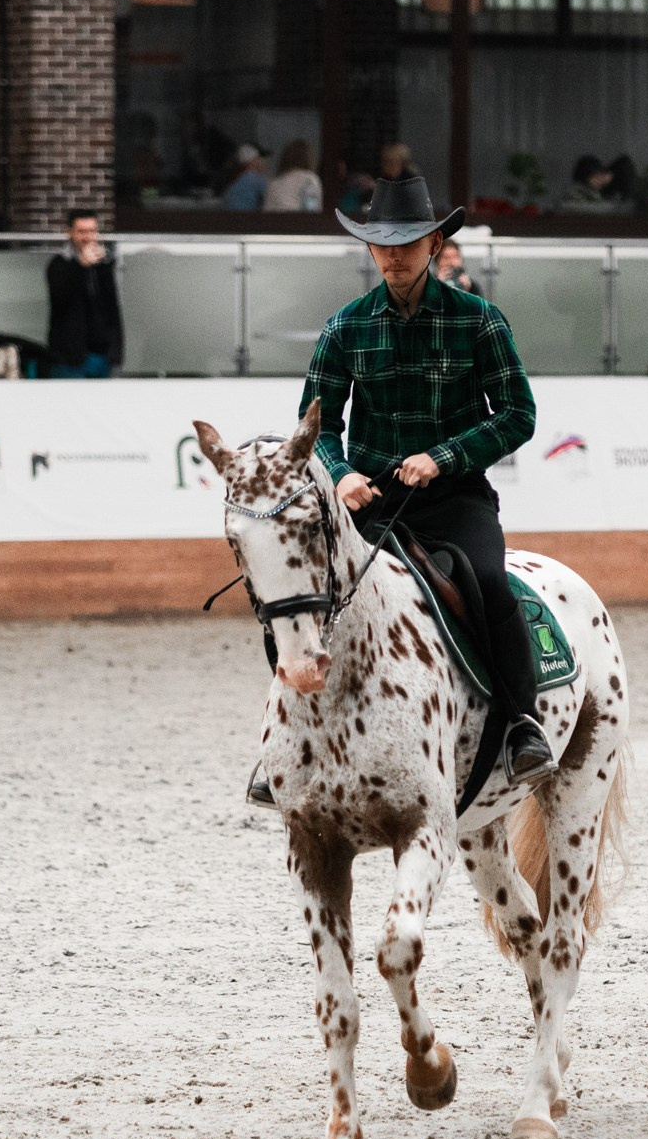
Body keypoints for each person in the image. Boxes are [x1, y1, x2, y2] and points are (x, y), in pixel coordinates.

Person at [247, 176, 551, 807]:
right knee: (296, 597)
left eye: (408, 243)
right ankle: (281, 742)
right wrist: (340, 473)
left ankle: (523, 723)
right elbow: (314, 428)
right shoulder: (345, 328)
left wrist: (443, 457)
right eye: (381, 245)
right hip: (369, 502)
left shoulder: (480, 321)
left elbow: (518, 414)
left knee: (489, 582)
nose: (393, 255)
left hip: (456, 497)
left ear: (435, 242)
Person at [45, 209, 125, 379]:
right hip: (70, 358)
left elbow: (111, 307)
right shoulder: (59, 263)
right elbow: (60, 298)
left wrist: (115, 349)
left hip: (104, 354)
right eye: (82, 231)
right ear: (70, 232)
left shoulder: (104, 264)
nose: (87, 237)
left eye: (92, 231)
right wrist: (80, 265)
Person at [264, 139, 323, 212]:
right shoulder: (310, 179)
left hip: (277, 222)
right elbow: (312, 210)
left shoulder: (274, 183)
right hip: (299, 221)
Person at [224, 144, 270, 210]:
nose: (264, 162)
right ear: (252, 162)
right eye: (260, 158)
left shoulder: (234, 181)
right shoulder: (256, 179)